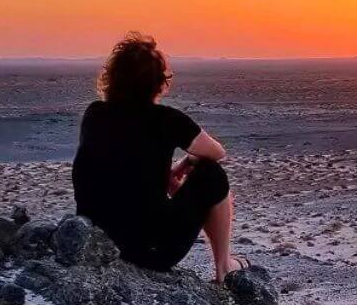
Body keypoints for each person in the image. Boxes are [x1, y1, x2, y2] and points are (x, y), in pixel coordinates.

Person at [72, 33, 247, 280]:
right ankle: (224, 267)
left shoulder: (94, 114)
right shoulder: (166, 120)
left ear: (112, 76)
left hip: (96, 242)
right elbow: (216, 152)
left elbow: (121, 162)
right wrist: (188, 161)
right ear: (159, 82)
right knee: (212, 173)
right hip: (151, 251)